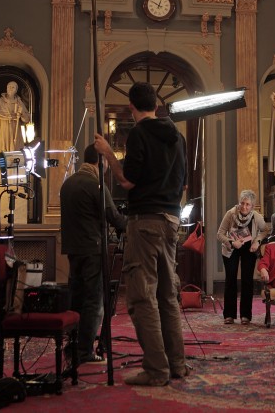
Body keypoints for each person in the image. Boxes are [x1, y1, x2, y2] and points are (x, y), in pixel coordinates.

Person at [93, 82, 188, 387]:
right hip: (172, 220)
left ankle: (156, 369)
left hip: (145, 221)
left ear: (132, 108)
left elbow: (128, 181)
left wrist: (108, 153)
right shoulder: (178, 137)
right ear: (157, 105)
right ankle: (177, 365)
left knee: (142, 296)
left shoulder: (139, 133)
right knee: (167, 296)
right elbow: (183, 184)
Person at [60, 144, 127, 365]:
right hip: (92, 250)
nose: (107, 167)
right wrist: (131, 223)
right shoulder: (95, 185)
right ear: (101, 162)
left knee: (76, 297)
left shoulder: (67, 184)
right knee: (92, 300)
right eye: (107, 162)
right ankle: (85, 351)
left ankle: (72, 345)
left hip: (73, 249)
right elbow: (113, 218)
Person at [217, 189, 270, 325]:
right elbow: (220, 234)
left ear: (252, 206)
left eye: (247, 204)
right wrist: (231, 242)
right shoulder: (230, 214)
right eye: (242, 203)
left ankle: (246, 315)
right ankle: (229, 315)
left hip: (249, 248)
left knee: (247, 280)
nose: (244, 207)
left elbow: (265, 230)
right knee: (231, 280)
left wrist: (257, 241)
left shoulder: (257, 217)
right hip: (231, 248)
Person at [0, 81, 31, 183]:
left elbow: (27, 118)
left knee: (14, 152)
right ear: (6, 88)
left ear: (16, 90)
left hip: (14, 131)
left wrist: (22, 113)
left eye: (13, 87)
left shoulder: (19, 103)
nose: (11, 88)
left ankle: (13, 179)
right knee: (0, 151)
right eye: (9, 86)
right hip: (2, 131)